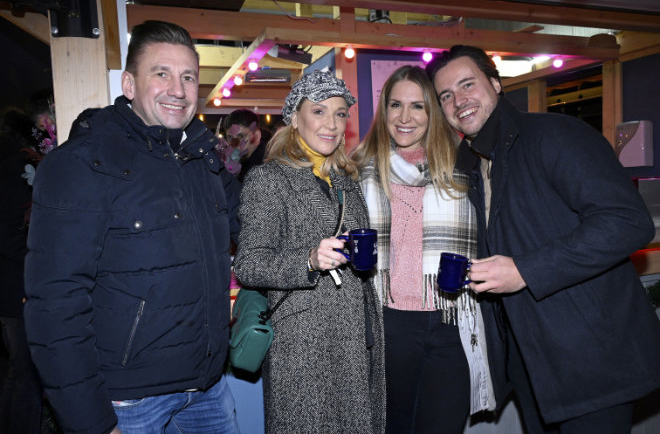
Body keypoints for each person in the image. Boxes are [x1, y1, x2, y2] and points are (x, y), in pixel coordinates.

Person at [426, 45, 660, 433]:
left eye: (467, 85)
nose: (458, 100)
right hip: (531, 365)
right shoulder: (471, 167)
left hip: (589, 361)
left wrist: (525, 269)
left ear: (496, 84)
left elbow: (628, 221)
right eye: (446, 96)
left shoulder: (554, 134)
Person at [24, 20, 241, 434]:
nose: (178, 89)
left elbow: (256, 228)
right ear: (128, 84)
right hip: (129, 402)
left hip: (208, 390)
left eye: (188, 77)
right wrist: (92, 422)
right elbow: (55, 303)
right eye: (162, 74)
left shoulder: (203, 160)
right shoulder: (82, 163)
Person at [233, 70, 386, 434]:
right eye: (319, 111)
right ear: (294, 117)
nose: (331, 123)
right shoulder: (269, 179)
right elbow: (249, 264)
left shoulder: (346, 180)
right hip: (302, 346)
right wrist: (308, 259)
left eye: (339, 113)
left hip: (355, 337)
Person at [351, 65, 495, 434]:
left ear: (432, 112)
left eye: (417, 106)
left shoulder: (465, 168)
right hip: (388, 323)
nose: (405, 117)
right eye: (395, 105)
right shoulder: (358, 170)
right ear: (383, 112)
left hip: (450, 321)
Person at [0, 108, 43, 434]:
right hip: (19, 284)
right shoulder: (17, 168)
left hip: (10, 283)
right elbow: (12, 232)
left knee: (19, 369)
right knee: (26, 369)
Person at [219, 108, 268, 181]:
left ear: (257, 136)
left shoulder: (268, 167)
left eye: (241, 136)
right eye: (230, 137)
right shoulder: (231, 163)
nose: (234, 143)